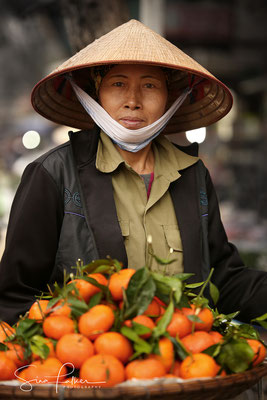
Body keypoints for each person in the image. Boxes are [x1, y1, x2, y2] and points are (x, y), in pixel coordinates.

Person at [0, 19, 266, 325]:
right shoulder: (53, 174)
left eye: (150, 85)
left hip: (182, 362)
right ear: (96, 94)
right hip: (89, 362)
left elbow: (223, 278)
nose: (133, 101)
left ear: (170, 97)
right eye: (118, 84)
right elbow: (15, 296)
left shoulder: (193, 175)